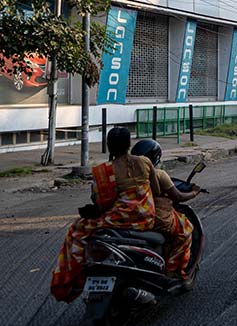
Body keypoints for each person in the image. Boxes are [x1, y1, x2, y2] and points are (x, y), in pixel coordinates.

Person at [50, 127, 158, 302]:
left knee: (77, 229)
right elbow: (156, 189)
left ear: (108, 146)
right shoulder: (144, 162)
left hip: (119, 220)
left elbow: (101, 203)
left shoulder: (103, 171)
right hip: (146, 218)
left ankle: (69, 281)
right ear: (129, 144)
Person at [131, 139, 199, 279]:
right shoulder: (159, 174)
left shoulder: (126, 175)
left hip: (131, 216)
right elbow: (178, 196)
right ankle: (172, 269)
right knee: (186, 232)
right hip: (158, 217)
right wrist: (194, 193)